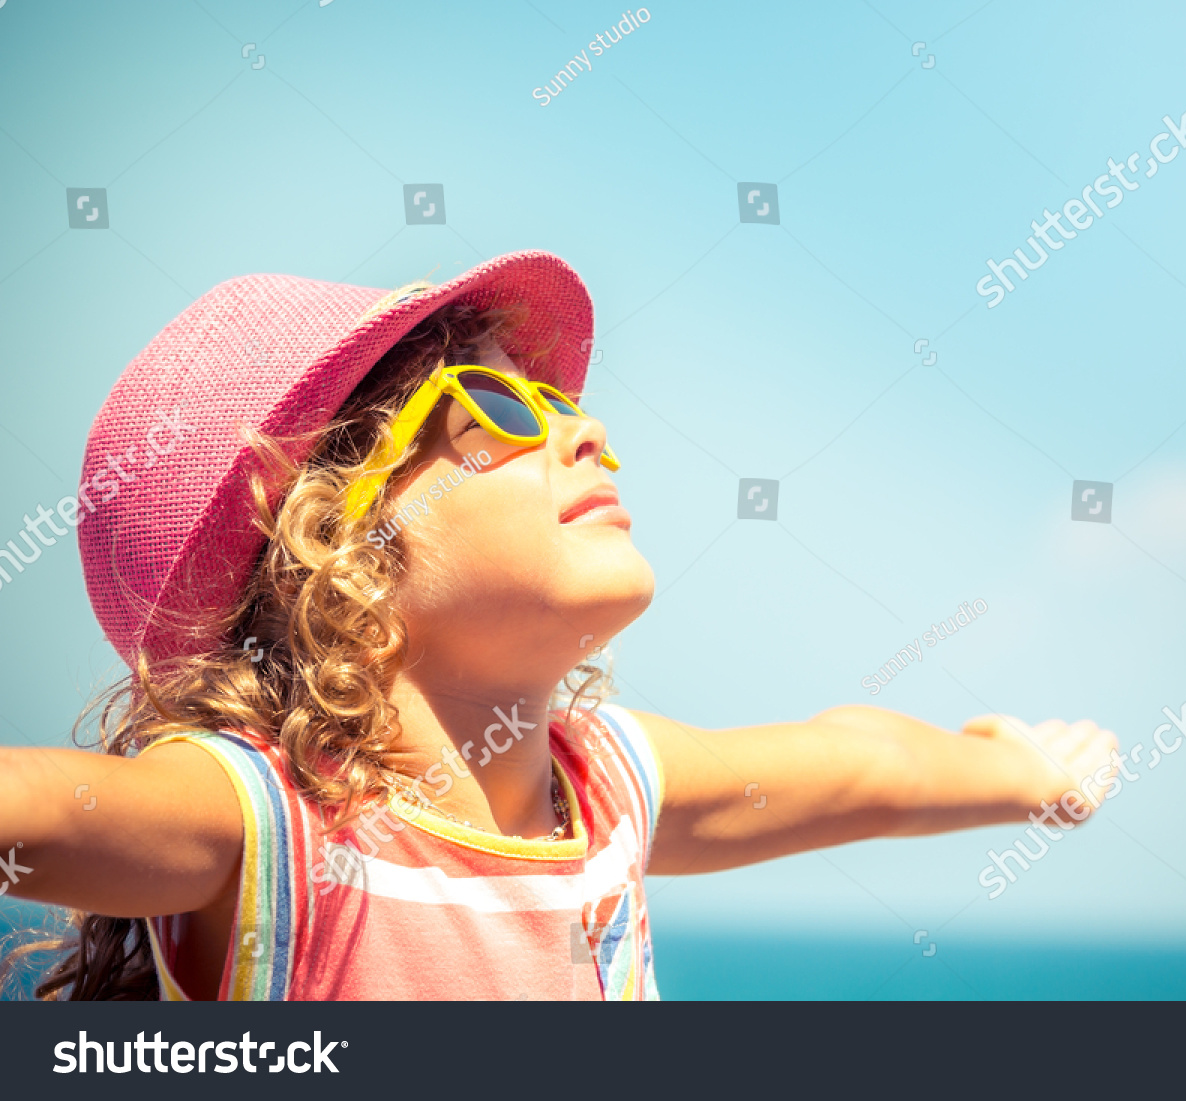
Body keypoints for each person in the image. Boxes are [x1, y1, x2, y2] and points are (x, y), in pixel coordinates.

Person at [0, 251, 1117, 1000]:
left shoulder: (609, 790)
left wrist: (1015, 773)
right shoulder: (274, 828)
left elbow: (859, 767)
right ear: (325, 542)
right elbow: (39, 812)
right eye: (499, 407)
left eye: (569, 406)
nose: (586, 434)